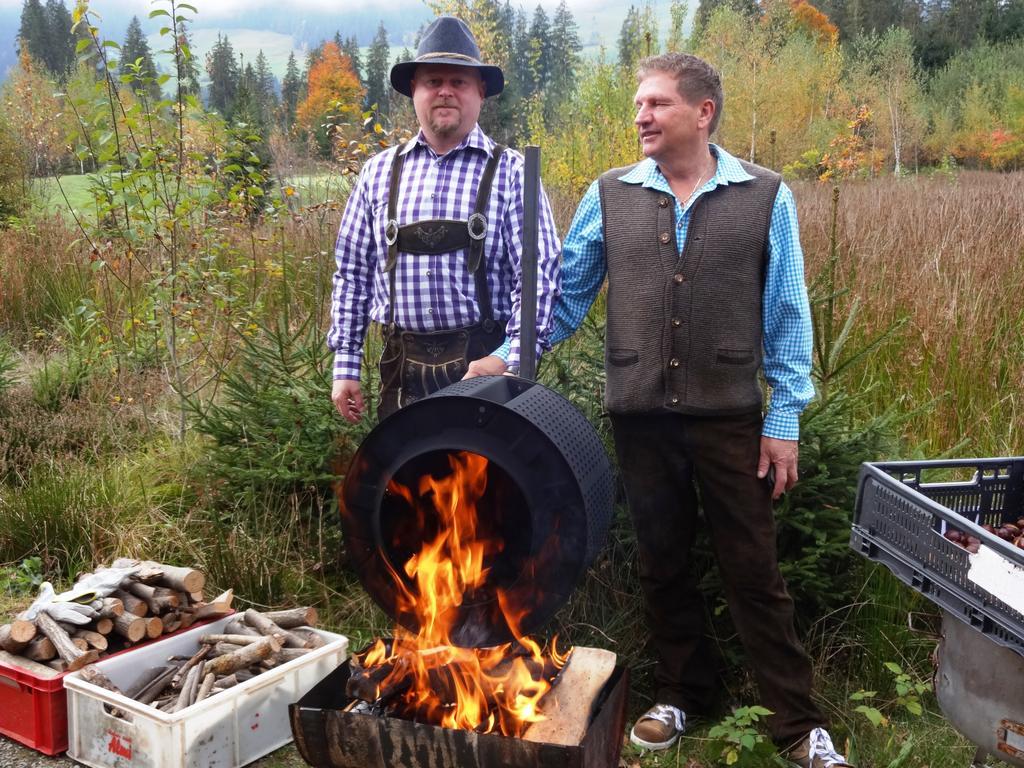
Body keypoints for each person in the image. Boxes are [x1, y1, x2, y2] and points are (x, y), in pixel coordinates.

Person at [473, 52, 851, 767]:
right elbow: (566, 295)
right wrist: (509, 354)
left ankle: (797, 725)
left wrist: (783, 418)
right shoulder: (610, 193)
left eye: (656, 104)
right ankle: (683, 691)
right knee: (662, 561)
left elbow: (788, 315)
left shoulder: (765, 195)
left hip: (730, 414)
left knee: (753, 568)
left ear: (702, 112)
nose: (640, 116)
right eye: (638, 104)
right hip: (640, 413)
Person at [328, 16, 559, 421]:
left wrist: (511, 360)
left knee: (493, 483)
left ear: (480, 92)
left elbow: (539, 274)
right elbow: (352, 273)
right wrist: (346, 363)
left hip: (488, 370)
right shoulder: (378, 173)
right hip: (402, 374)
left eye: (459, 82)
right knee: (406, 482)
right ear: (414, 91)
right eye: (433, 81)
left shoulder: (514, 172)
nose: (446, 92)